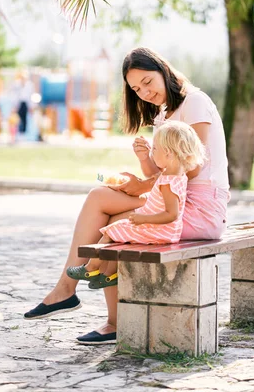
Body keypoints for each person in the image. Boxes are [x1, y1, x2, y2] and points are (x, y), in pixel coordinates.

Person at [24, 47, 230, 346]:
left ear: (163, 70)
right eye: (136, 88)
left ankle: (83, 302)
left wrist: (143, 186)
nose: (144, 92)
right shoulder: (164, 114)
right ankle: (80, 299)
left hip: (200, 205)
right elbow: (164, 170)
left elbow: (193, 167)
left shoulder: (194, 103)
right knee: (103, 201)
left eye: (148, 82)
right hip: (175, 197)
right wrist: (142, 168)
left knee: (115, 216)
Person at [66, 121, 206, 292]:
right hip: (165, 230)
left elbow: (172, 214)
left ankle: (90, 269)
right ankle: (109, 276)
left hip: (160, 231)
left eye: (155, 149)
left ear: (168, 153)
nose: (153, 153)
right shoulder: (177, 176)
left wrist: (143, 219)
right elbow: (161, 201)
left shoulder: (167, 182)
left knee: (111, 230)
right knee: (119, 231)